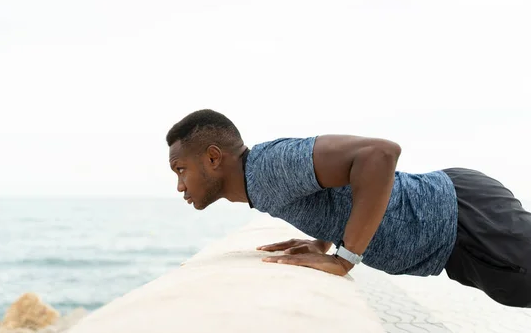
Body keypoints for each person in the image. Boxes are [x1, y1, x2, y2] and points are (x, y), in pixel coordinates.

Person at [166, 109, 531, 308]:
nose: (180, 185)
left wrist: (345, 257)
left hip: (463, 218)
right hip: (453, 237)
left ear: (213, 158)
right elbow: (336, 190)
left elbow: (380, 153)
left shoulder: (266, 166)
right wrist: (323, 239)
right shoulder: (259, 182)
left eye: (181, 169)